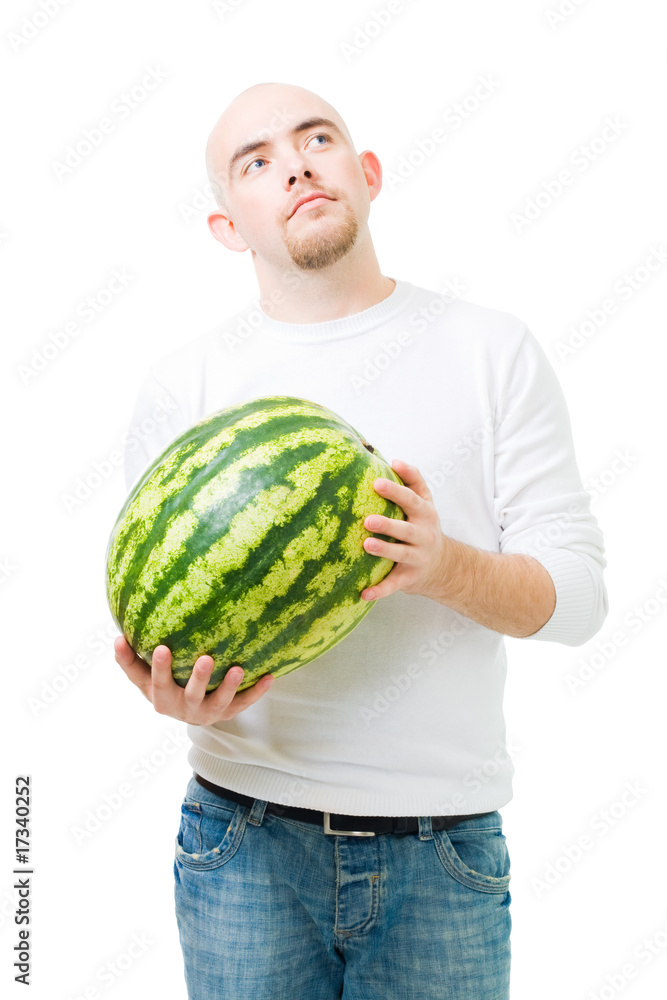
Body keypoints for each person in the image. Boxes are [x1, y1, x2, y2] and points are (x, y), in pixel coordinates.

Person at [114, 81, 608, 999]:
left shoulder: (490, 348)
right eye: (254, 162)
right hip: (241, 842)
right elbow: (152, 615)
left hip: (443, 855)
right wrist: (171, 690)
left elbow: (580, 600)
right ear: (228, 226)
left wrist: (444, 565)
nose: (294, 163)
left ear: (366, 173)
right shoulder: (187, 382)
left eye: (317, 139)